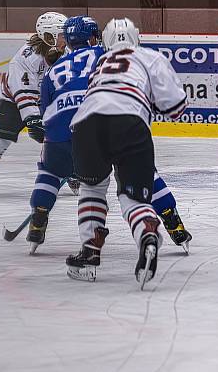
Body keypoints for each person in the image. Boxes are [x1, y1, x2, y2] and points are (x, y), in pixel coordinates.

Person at [25, 16, 192, 255]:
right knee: (142, 173)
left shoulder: (54, 70)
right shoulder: (105, 56)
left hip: (68, 130)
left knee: (51, 171)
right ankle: (173, 224)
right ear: (94, 37)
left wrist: (56, 142)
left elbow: (46, 113)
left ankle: (38, 221)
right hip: (108, 120)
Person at [66, 18, 187, 288]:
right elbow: (175, 106)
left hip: (87, 123)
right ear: (137, 38)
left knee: (92, 188)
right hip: (131, 122)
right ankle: (147, 231)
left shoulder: (99, 63)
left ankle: (90, 253)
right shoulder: (150, 57)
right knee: (133, 198)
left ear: (106, 42)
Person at [0, 11, 67, 196]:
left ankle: (71, 174)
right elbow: (22, 92)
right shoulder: (24, 58)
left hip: (50, 101)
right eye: (62, 34)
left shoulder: (68, 51)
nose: (67, 38)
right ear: (49, 37)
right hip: (14, 103)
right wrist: (33, 118)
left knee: (65, 139)